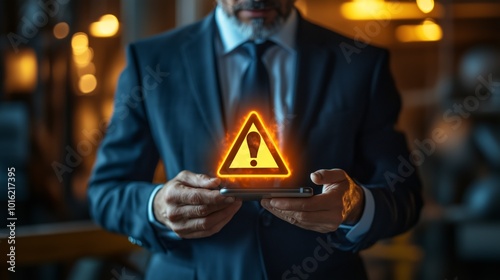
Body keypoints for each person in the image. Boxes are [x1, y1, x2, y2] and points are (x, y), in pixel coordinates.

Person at [88, 0, 423, 279]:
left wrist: (355, 205)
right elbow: (106, 192)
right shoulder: (151, 62)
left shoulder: (362, 64)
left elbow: (403, 194)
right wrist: (156, 206)